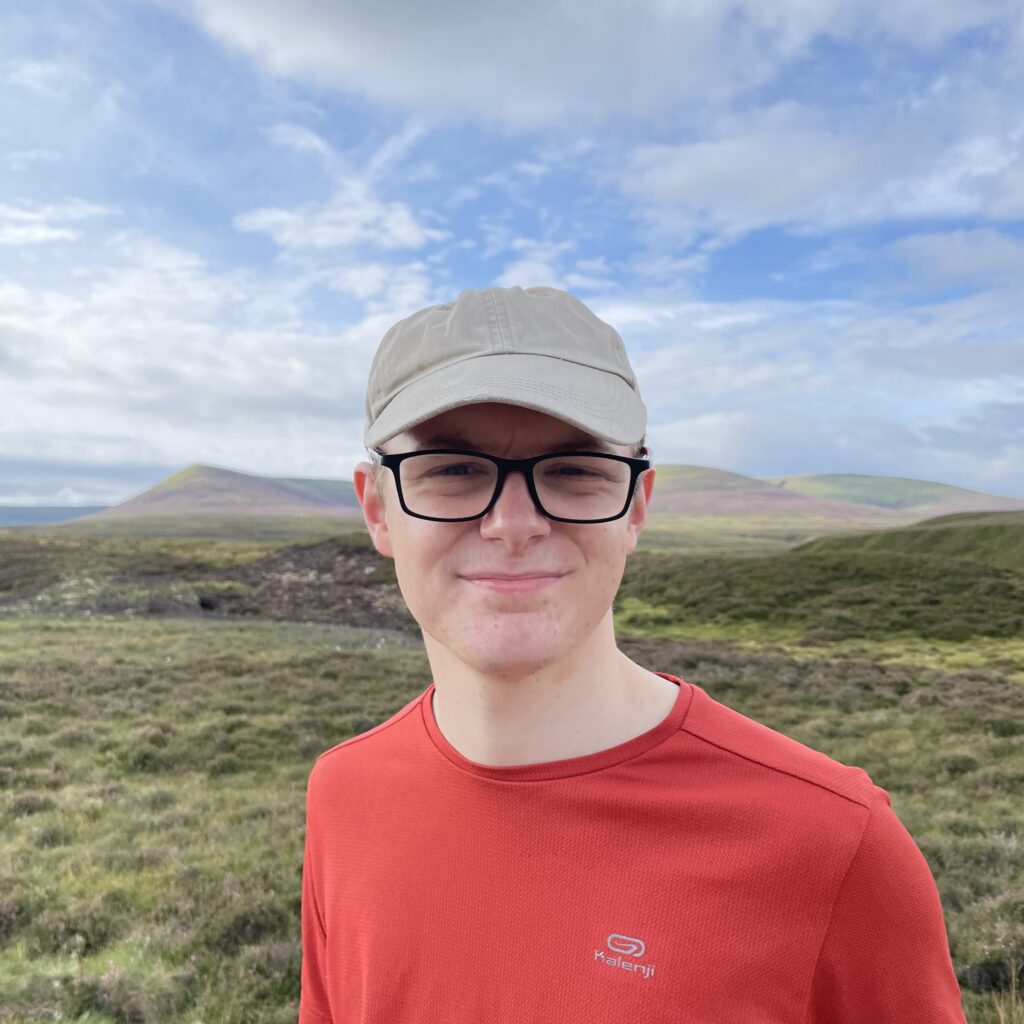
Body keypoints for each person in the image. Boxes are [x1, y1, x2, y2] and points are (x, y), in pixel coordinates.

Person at [299, 286, 967, 1023]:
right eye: (452, 469)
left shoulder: (835, 846)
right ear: (377, 509)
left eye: (574, 470)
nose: (512, 524)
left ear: (637, 507)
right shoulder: (343, 794)